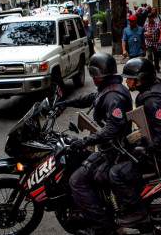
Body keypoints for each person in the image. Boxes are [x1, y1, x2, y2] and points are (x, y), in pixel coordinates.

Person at [57, 53, 134, 235]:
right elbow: (90, 98)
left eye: (94, 74)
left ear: (100, 74)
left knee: (76, 181)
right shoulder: (108, 88)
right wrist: (64, 103)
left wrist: (85, 141)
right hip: (110, 147)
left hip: (114, 151)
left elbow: (112, 129)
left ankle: (102, 227)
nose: (92, 77)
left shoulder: (113, 96)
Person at [121, 57, 161, 185]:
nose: (126, 81)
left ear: (140, 79)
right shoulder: (156, 87)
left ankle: (135, 205)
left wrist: (146, 148)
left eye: (130, 78)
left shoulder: (152, 100)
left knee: (118, 174)